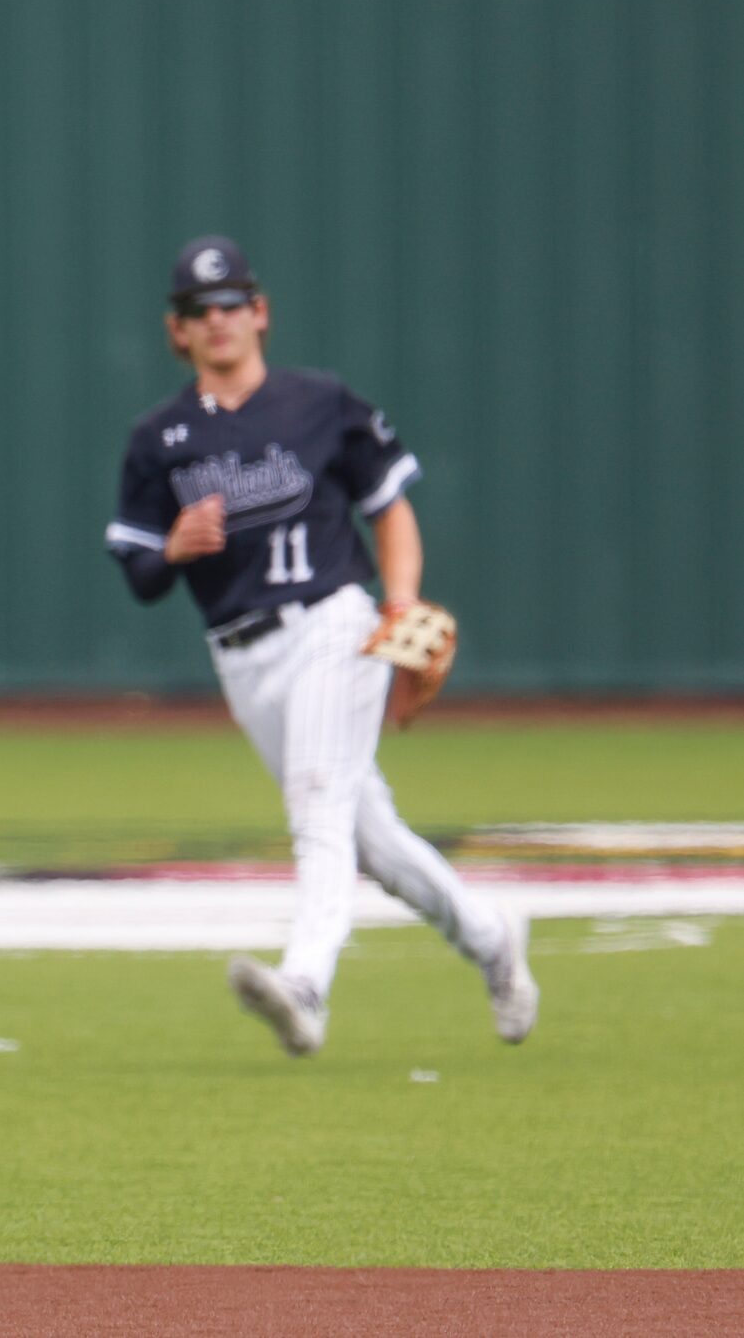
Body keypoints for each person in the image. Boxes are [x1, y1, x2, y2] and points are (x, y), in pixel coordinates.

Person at [105, 235, 536, 1058]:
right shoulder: (158, 439)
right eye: (199, 311)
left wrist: (399, 600)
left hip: (333, 624)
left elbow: (388, 504)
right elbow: (136, 570)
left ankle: (305, 986)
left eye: (231, 303)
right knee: (367, 837)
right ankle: (490, 941)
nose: (218, 320)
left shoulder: (318, 402)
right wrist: (171, 550)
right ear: (178, 332)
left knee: (315, 803)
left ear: (259, 313)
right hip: (240, 655)